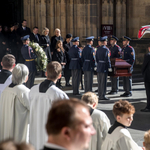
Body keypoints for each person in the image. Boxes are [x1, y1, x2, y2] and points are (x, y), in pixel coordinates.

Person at [29, 61, 69, 150]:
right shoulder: (59, 94)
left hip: (34, 132)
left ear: (46, 73)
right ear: (60, 76)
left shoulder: (32, 90)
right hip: (50, 136)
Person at [0, 64, 30, 142]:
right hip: (18, 129)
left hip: (6, 128)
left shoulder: (6, 90)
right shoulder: (24, 91)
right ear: (25, 77)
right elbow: (33, 108)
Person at [96, 36, 111, 100]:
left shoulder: (98, 49)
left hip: (99, 66)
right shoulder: (106, 49)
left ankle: (100, 94)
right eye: (106, 41)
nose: (107, 42)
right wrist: (109, 66)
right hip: (104, 66)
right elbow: (107, 59)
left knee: (99, 81)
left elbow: (96, 58)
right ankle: (103, 95)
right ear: (104, 42)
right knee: (103, 82)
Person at [141, 44, 150, 112]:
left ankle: (148, 107)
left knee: (148, 92)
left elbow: (144, 66)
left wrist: (143, 73)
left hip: (148, 77)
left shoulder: (148, 55)